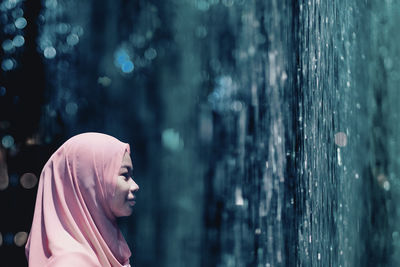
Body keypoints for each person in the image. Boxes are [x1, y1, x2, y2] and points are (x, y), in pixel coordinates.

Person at [25, 132, 139, 267]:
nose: (135, 186)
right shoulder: (72, 263)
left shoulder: (99, 252)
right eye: (125, 175)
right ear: (91, 182)